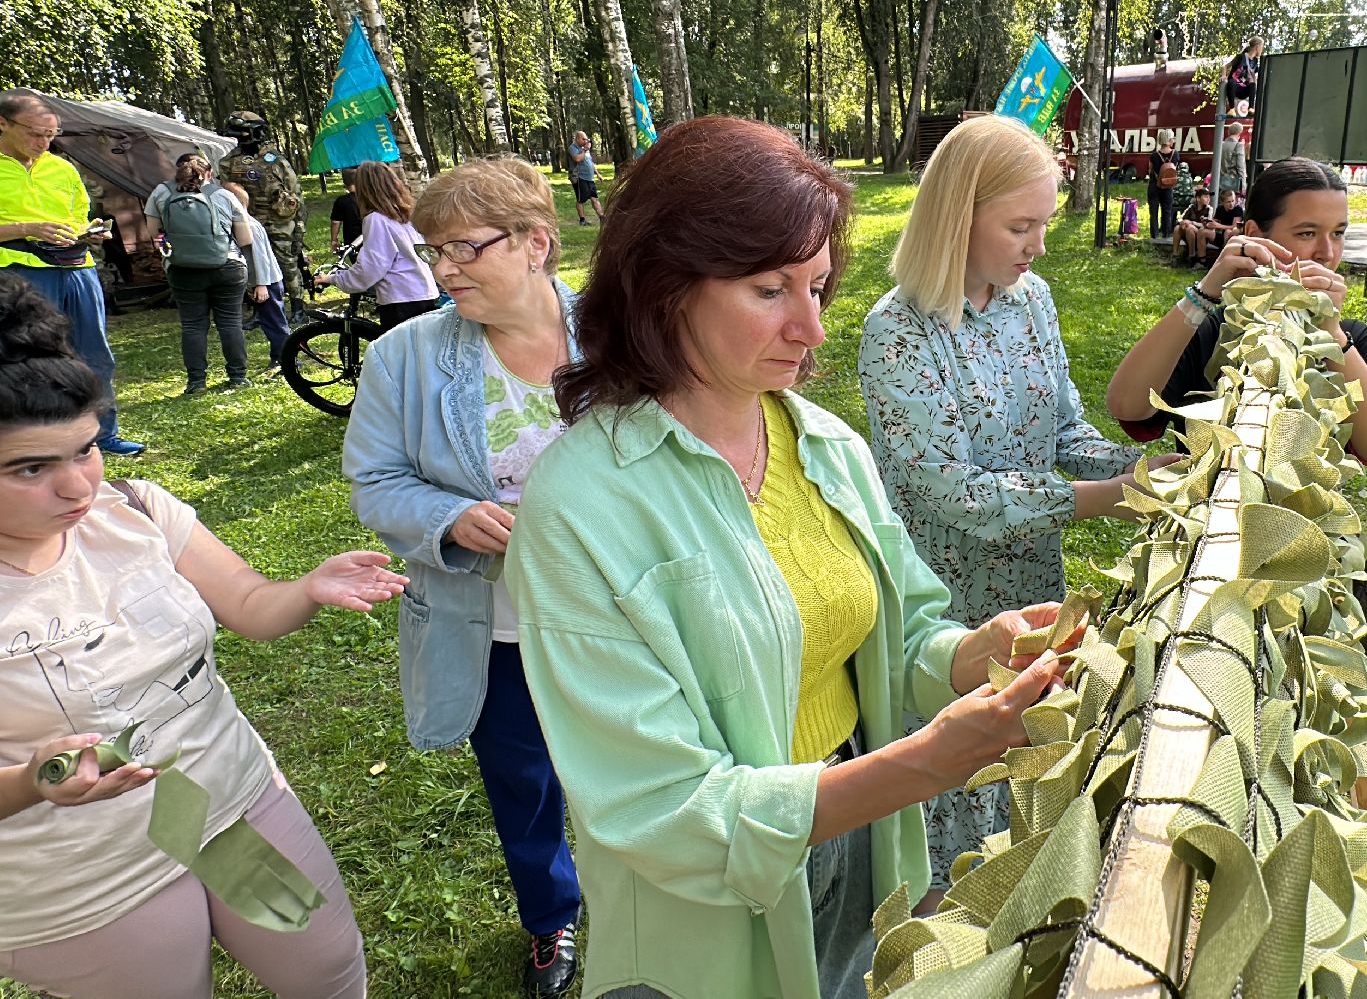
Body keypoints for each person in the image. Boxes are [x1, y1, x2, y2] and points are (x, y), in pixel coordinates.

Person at [501, 116, 1075, 999]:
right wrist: (925, 763)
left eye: (817, 285)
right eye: (770, 290)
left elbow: (900, 628)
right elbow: (662, 807)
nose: (812, 328)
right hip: (710, 909)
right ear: (664, 286)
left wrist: (974, 652)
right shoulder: (581, 506)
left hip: (860, 828)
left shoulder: (824, 446)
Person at [0, 271, 404, 999]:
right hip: (84, 878)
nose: (78, 487)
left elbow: (247, 601)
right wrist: (33, 782)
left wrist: (305, 588)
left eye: (85, 449)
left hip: (226, 809)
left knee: (325, 972)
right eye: (31, 468)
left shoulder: (133, 510)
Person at [859, 115, 1168, 890]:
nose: (1039, 246)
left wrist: (1151, 470)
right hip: (944, 601)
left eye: (1044, 224)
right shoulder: (898, 334)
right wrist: (1109, 498)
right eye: (1020, 226)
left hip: (1029, 585)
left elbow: (1063, 427)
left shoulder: (1031, 300)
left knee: (1021, 763)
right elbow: (956, 494)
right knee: (951, 784)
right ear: (956, 217)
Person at [341, 157, 584, 999]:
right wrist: (447, 517)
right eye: (433, 251)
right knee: (524, 781)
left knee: (638, 763)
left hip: (622, 616)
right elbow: (374, 480)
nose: (443, 270)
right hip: (498, 628)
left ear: (535, 243)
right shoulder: (405, 357)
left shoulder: (623, 332)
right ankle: (552, 919)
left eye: (463, 249)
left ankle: (651, 902)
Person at [1105, 157, 1367, 660]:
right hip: (1198, 562)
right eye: (1307, 233)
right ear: (1254, 236)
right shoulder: (1211, 331)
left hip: (1303, 572)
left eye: (1338, 233)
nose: (1327, 252)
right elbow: (1128, 406)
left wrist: (1332, 333)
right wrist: (1204, 295)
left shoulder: (1352, 342)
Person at [0, 90, 142, 455]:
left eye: (51, 135)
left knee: (96, 354)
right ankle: (38, 439)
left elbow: (80, 216)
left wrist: (91, 231)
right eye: (35, 133)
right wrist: (26, 228)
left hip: (78, 268)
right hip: (19, 273)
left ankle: (103, 435)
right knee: (31, 358)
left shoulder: (62, 169)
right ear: (3, 124)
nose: (43, 142)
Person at [141, 155, 258, 394]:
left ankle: (196, 382)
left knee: (193, 325)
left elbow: (155, 234)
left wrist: (173, 249)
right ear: (209, 173)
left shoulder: (161, 193)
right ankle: (238, 376)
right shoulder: (224, 195)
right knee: (230, 323)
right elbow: (246, 239)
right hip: (227, 266)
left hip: (183, 269)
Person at [319, 162, 439, 331]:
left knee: (398, 348)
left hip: (401, 301)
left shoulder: (377, 219)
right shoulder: (405, 214)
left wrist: (333, 278)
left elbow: (370, 268)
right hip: (424, 292)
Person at [215, 111, 307, 290]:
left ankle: (297, 303)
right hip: (248, 222)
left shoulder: (277, 160)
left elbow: (296, 194)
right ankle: (262, 302)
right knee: (254, 265)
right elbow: (226, 193)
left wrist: (299, 227)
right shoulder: (228, 162)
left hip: (280, 222)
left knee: (287, 264)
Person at [224, 181, 292, 367]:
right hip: (261, 281)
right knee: (269, 320)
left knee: (275, 322)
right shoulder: (242, 224)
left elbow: (261, 258)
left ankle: (286, 358)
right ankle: (280, 356)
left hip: (267, 281)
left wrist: (261, 284)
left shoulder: (249, 227)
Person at [1147, 128, 1179, 240]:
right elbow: (1176, 169)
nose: (1173, 140)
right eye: (1173, 138)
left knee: (1154, 212)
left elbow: (1150, 170)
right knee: (1167, 211)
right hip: (1168, 186)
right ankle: (1166, 235)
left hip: (1154, 186)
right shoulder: (1175, 154)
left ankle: (1155, 235)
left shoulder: (1154, 155)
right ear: (1169, 140)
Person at [567, 131, 603, 225]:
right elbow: (577, 159)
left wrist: (597, 174)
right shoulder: (573, 148)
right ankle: (582, 220)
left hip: (589, 178)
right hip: (579, 178)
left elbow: (590, 162)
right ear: (577, 139)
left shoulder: (584, 149)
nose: (585, 141)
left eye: (586, 139)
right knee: (581, 199)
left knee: (594, 198)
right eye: (583, 139)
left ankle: (602, 217)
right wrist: (585, 150)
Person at [1173, 186, 1213, 266]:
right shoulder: (1191, 207)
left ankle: (1192, 256)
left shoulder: (1209, 209)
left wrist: (1192, 223)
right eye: (1205, 197)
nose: (1208, 199)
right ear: (1198, 198)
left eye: (1209, 197)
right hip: (1188, 232)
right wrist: (1182, 222)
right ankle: (1175, 255)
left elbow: (1208, 224)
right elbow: (1181, 218)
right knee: (1177, 228)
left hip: (1200, 234)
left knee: (1190, 228)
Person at [1224, 37, 1265, 116]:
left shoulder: (1255, 61)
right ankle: (1232, 109)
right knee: (1232, 82)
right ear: (1257, 47)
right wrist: (1223, 76)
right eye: (1262, 46)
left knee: (1252, 84)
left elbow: (1256, 73)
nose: (1262, 49)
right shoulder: (1240, 57)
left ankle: (1251, 108)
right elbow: (1225, 66)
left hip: (1243, 89)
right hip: (1234, 87)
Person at [328, 165, 362, 252]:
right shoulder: (368, 197)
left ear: (344, 183)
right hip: (370, 236)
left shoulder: (341, 201)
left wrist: (334, 240)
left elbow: (335, 222)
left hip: (351, 240)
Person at [1218, 121, 1248, 201]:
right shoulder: (1239, 145)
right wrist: (1243, 185)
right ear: (1239, 133)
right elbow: (1241, 167)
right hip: (1233, 183)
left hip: (1220, 181)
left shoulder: (1220, 144)